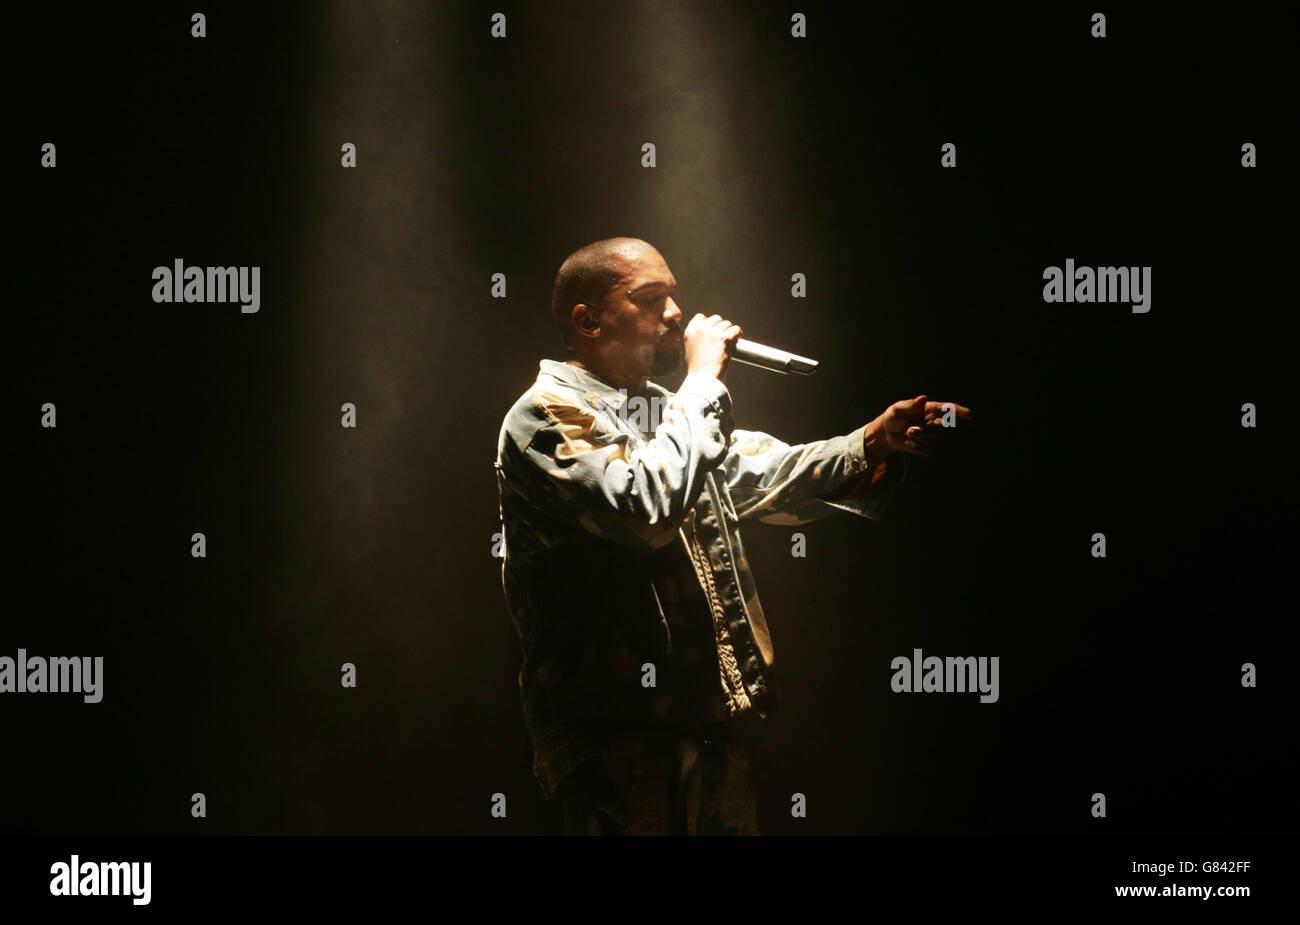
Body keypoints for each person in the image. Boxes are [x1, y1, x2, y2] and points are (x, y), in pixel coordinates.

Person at [494, 237, 972, 834]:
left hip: (710, 730)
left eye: (674, 296)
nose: (675, 315)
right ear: (587, 320)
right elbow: (645, 510)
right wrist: (700, 384)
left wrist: (876, 439)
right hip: (616, 739)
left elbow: (768, 477)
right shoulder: (544, 414)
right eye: (651, 299)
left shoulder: (666, 417)